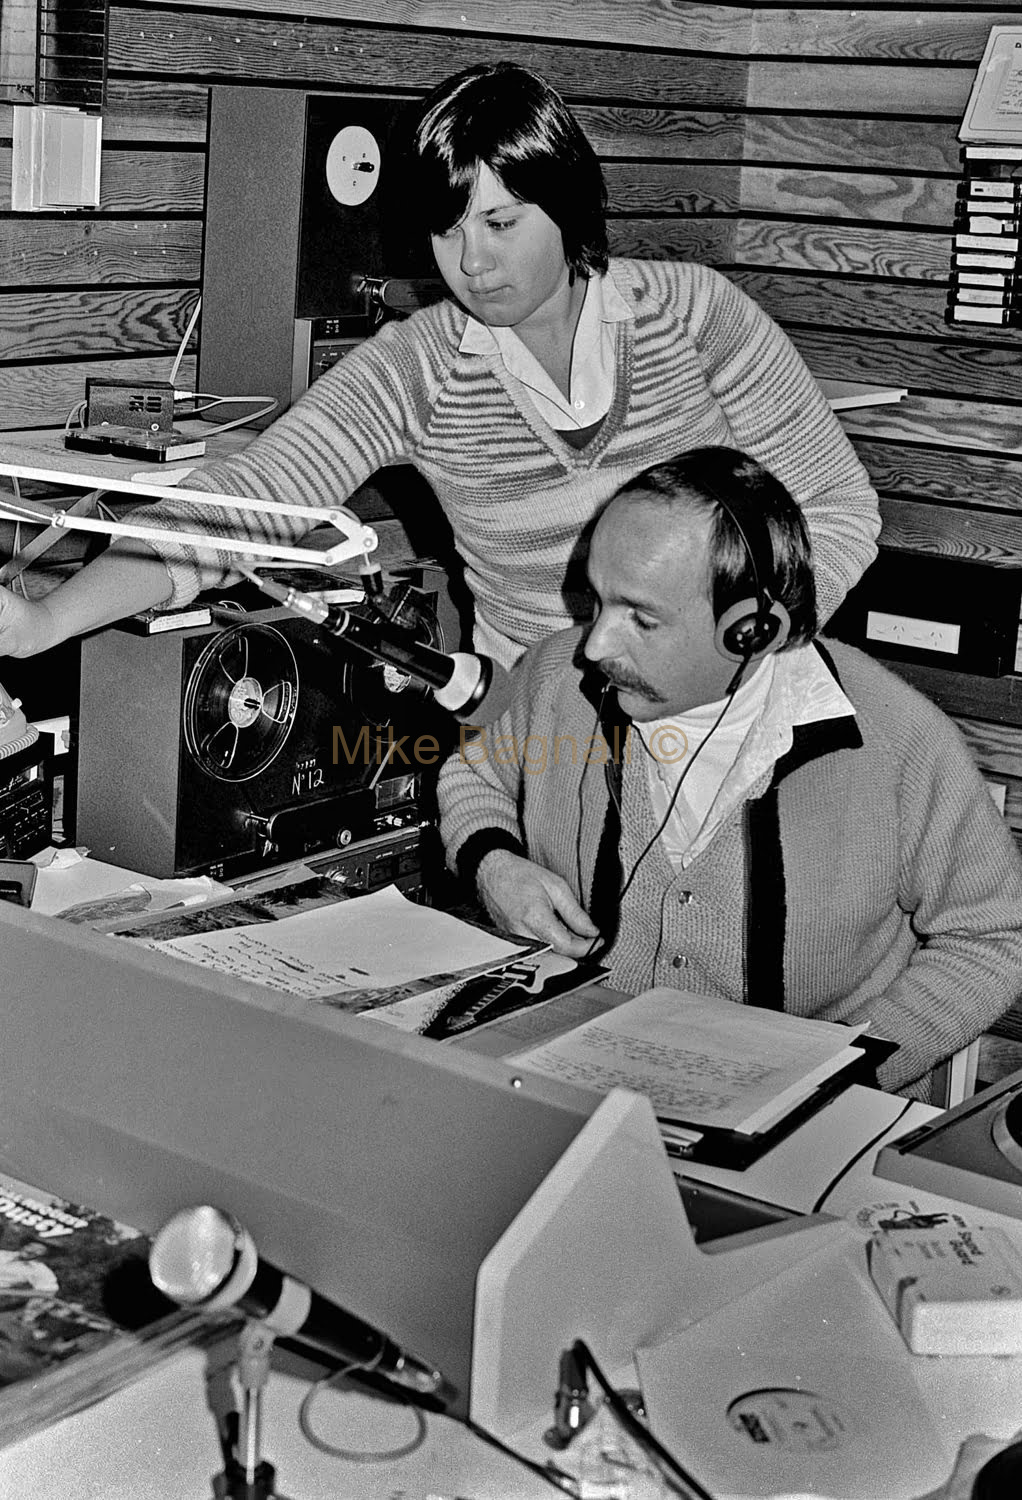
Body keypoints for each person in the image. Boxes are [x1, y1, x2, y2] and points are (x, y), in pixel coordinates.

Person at [0, 63, 878, 669]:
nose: (473, 262)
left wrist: (756, 655)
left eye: (501, 224)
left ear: (568, 208)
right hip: (548, 734)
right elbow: (244, 507)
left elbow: (839, 509)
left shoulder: (696, 314)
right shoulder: (418, 368)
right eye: (448, 230)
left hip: (738, 707)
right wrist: (43, 623)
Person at [437, 447, 1022, 1097]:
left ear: (753, 631)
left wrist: (838, 1074)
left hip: (803, 1126)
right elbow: (477, 774)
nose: (596, 645)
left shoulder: (899, 739)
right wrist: (495, 866)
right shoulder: (556, 679)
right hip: (571, 1086)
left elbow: (996, 935)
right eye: (598, 601)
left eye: (641, 617)